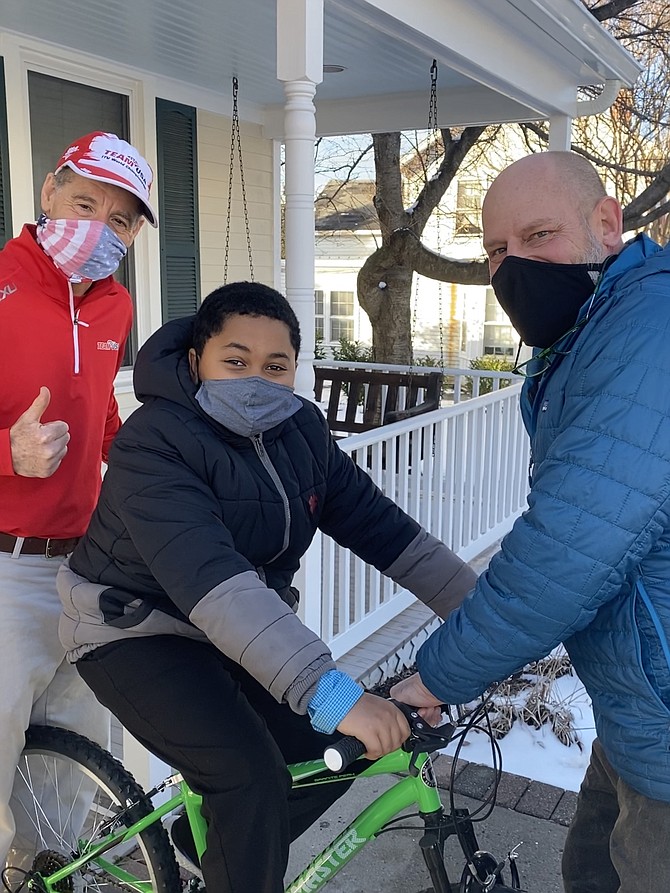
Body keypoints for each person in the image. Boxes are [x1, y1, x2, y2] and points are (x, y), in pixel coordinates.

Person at [56, 281, 477, 893]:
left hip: (233, 631)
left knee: (330, 749)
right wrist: (336, 695)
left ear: (295, 370)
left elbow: (390, 536)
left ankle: (203, 844)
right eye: (236, 360)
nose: (255, 378)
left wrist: (490, 619)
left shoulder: (301, 431)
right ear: (198, 358)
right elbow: (217, 586)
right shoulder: (153, 442)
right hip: (134, 630)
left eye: (275, 366)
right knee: (247, 775)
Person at [390, 150, 670, 893]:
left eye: (538, 235)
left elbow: (568, 548)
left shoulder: (648, 330)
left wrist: (436, 675)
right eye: (495, 251)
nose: (512, 267)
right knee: (588, 867)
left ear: (607, 225)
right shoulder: (592, 329)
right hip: (639, 705)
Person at [0, 130, 157, 870]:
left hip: (84, 572)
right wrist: (10, 452)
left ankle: (48, 878)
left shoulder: (115, 303)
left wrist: (142, 463)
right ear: (48, 192)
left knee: (73, 766)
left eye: (121, 219)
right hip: (4, 568)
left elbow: (98, 413)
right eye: (85, 201)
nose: (100, 228)